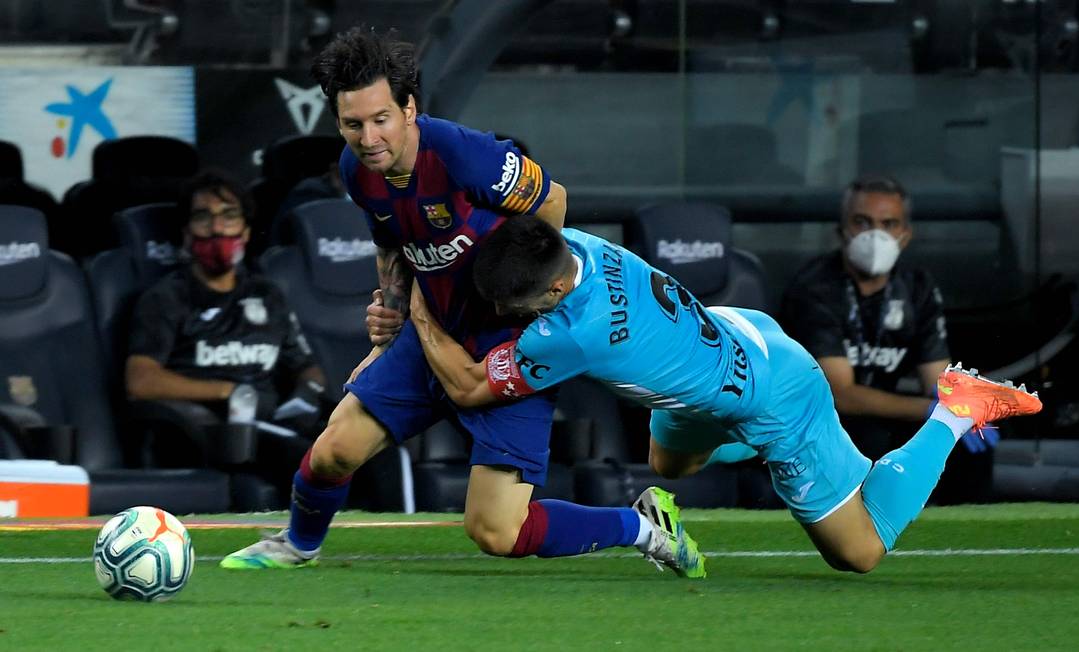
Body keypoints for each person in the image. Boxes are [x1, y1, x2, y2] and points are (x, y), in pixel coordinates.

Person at [221, 27, 705, 578]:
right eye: (353, 124)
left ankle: (642, 526)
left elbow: (553, 201)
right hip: (430, 332)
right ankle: (298, 545)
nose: (368, 136)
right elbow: (392, 239)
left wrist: (526, 299)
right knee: (333, 451)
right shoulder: (359, 172)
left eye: (381, 119)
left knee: (497, 532)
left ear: (408, 108)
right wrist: (393, 307)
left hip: (506, 344)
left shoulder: (461, 156)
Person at [406, 215, 1042, 573]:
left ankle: (955, 411)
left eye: (510, 304)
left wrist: (417, 307)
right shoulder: (573, 245)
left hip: (774, 393)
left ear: (548, 296)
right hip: (721, 345)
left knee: (859, 552)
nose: (498, 311)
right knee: (669, 466)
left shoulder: (571, 335)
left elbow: (467, 387)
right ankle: (743, 451)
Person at [779, 174, 995, 501]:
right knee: (874, 437)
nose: (875, 234)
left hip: (887, 419)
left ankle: (958, 535)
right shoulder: (815, 288)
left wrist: (965, 410)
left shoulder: (917, 287)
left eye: (889, 223)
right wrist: (932, 411)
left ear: (905, 236)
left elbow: (940, 381)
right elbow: (840, 394)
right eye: (862, 222)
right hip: (816, 424)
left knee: (969, 442)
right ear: (842, 231)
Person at [125, 170, 329, 496]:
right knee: (314, 463)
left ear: (246, 232)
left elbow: (306, 365)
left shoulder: (267, 294)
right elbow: (140, 381)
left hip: (276, 423)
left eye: (229, 216)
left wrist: (307, 390)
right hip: (210, 432)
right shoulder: (165, 298)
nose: (217, 228)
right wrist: (228, 391)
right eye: (203, 218)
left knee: (366, 450)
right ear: (187, 232)